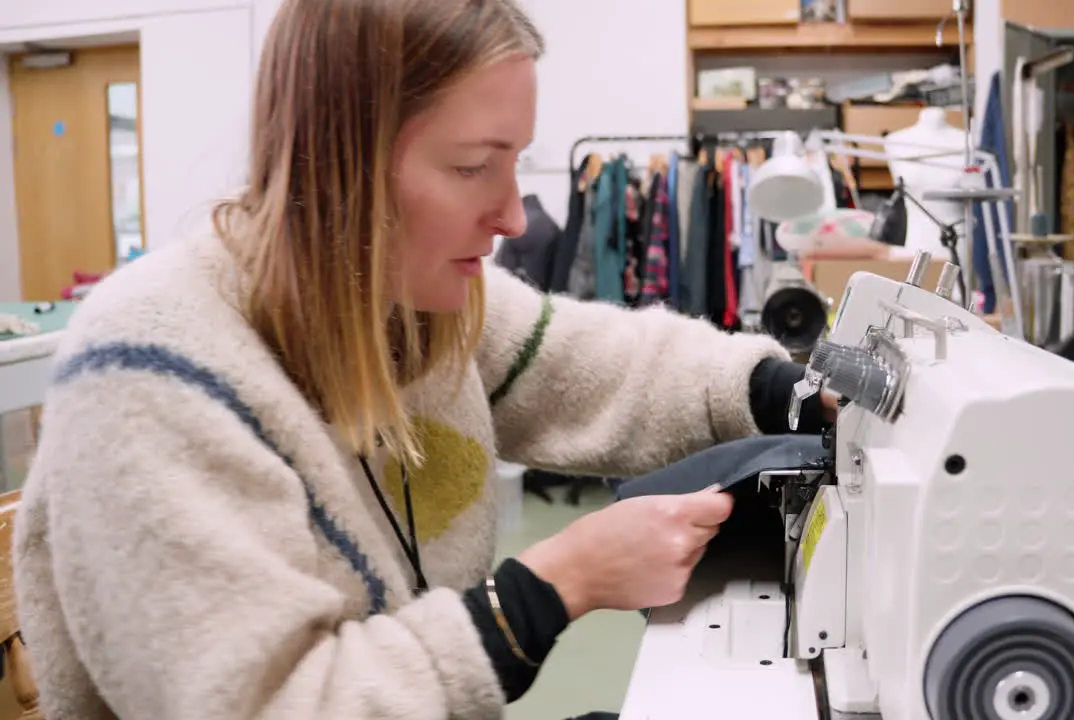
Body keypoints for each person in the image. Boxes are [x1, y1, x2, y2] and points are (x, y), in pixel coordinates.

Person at [12, 0, 832, 718]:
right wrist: (547, 590)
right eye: (474, 166)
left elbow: (604, 366)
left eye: (515, 161)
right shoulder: (152, 373)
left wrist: (787, 394)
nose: (513, 214)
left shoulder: (408, 303)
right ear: (340, 163)